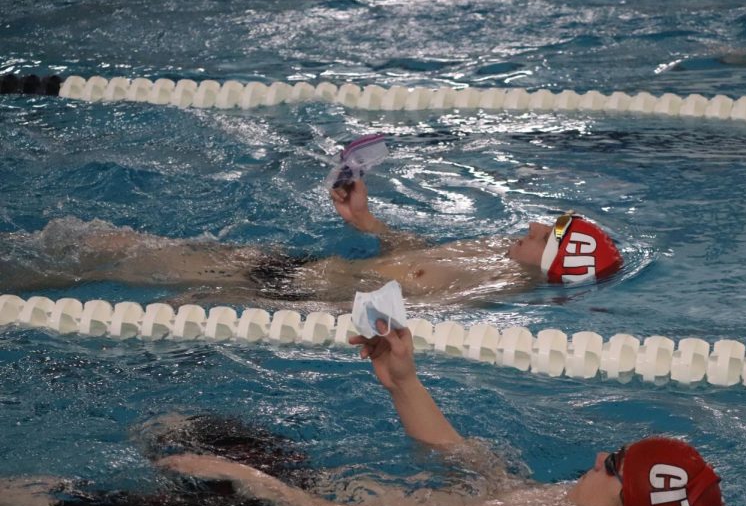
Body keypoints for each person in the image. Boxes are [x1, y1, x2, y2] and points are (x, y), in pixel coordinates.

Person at [0, 320, 723, 506]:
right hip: (302, 490)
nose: (602, 454)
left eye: (618, 462)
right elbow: (458, 457)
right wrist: (403, 381)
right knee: (177, 428)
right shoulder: (558, 503)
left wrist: (263, 489)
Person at [0, 163, 622, 308]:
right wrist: (366, 222)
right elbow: (410, 266)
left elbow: (383, 310)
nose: (537, 223)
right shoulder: (489, 254)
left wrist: (255, 304)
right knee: (112, 247)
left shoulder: (486, 293)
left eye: (554, 230)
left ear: (558, 264)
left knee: (114, 264)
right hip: (292, 267)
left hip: (291, 293)